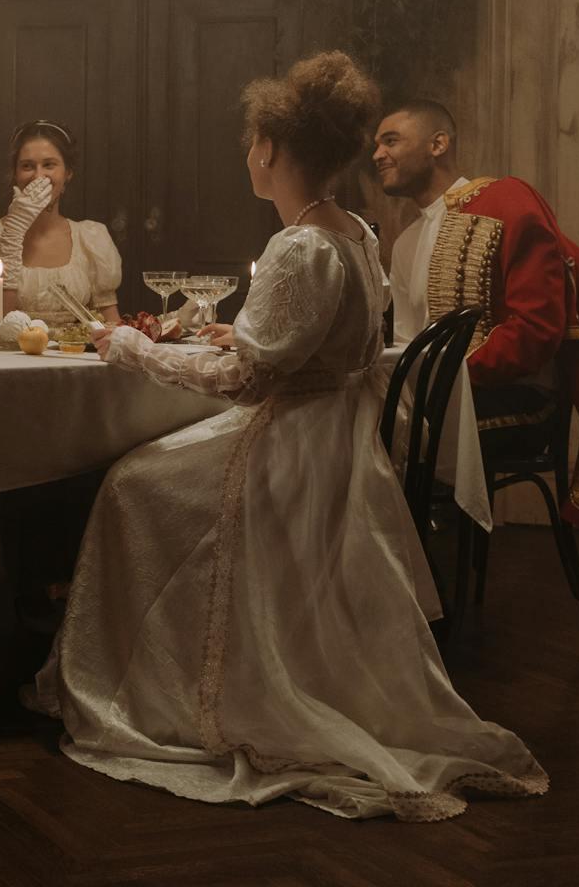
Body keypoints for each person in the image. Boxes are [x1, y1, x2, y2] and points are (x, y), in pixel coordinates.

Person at [33, 51, 547, 821]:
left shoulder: (299, 245)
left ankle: (166, 685)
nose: (248, 154)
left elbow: (248, 381)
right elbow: (326, 343)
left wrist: (136, 349)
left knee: (131, 483)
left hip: (293, 451)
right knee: (147, 473)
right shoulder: (356, 233)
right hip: (341, 443)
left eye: (252, 142)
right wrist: (235, 338)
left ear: (271, 149)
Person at [373, 100, 579, 528]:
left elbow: (537, 330)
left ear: (438, 144)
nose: (377, 154)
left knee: (386, 432)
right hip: (441, 398)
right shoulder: (405, 243)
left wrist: (448, 376)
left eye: (390, 140)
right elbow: (407, 342)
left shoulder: (506, 201)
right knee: (358, 423)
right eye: (376, 145)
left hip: (518, 398)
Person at [0, 122, 123, 327]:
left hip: (75, 348)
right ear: (15, 174)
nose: (38, 176)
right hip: (9, 347)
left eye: (49, 165)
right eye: (27, 166)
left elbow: (111, 323)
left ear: (68, 173)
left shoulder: (91, 237)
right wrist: (14, 230)